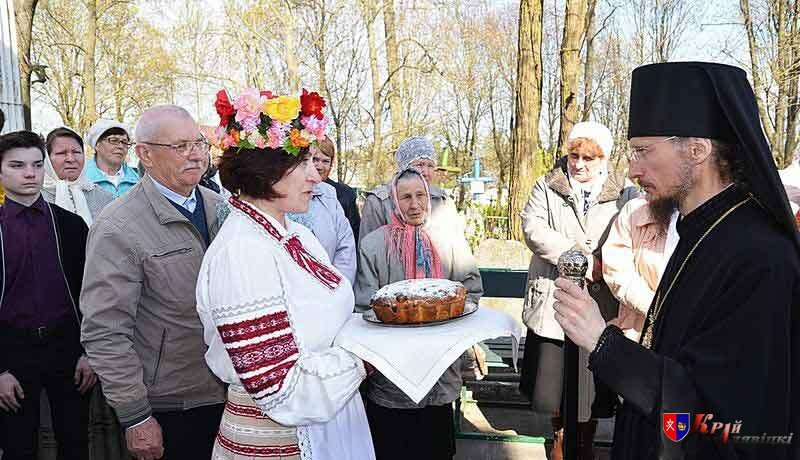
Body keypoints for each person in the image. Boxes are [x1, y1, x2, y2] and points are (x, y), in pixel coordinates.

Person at [553, 62, 799, 460]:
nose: (632, 170)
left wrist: (602, 343)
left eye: (643, 151)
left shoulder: (761, 256)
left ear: (697, 149)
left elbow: (717, 407)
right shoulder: (701, 227)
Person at [197, 87, 374, 460]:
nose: (317, 177)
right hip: (278, 441)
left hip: (326, 422)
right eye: (304, 163)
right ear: (266, 167)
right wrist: (369, 359)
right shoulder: (242, 251)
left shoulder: (296, 234)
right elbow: (278, 386)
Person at [80, 105, 227, 460]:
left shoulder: (219, 206)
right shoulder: (118, 227)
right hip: (171, 403)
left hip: (230, 393)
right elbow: (105, 330)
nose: (196, 155)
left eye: (199, 144)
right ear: (145, 154)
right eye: (180, 146)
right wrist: (136, 416)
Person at [518, 121, 638, 460]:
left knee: (593, 383)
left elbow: (634, 233)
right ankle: (560, 436)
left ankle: (585, 440)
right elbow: (533, 228)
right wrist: (583, 260)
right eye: (574, 156)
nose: (580, 164)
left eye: (589, 157)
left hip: (599, 304)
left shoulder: (626, 192)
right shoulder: (547, 185)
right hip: (554, 302)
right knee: (556, 383)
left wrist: (608, 262)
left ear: (603, 159)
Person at [354, 168, 483, 460]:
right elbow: (365, 305)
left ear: (429, 196)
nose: (414, 204)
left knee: (436, 448)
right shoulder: (374, 245)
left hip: (439, 369)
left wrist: (447, 322)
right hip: (392, 372)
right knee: (393, 448)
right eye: (406, 197)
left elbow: (471, 290)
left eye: (420, 195)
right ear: (394, 202)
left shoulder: (449, 242)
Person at [0, 131, 96, 460]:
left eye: (37, 165)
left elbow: (91, 294)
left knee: (76, 442)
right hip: (12, 351)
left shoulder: (70, 226)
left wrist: (88, 351)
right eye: (17, 165)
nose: (30, 173)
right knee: (18, 447)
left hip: (67, 347)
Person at [601, 197, 679, 341]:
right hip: (636, 335)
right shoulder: (636, 211)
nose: (634, 174)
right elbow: (616, 270)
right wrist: (655, 307)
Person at [359, 137, 460, 244]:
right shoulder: (378, 202)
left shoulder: (442, 200)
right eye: (419, 165)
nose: (425, 172)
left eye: (430, 165)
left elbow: (456, 246)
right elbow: (368, 248)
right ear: (403, 168)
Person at [41, 127, 114, 225]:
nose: (71, 159)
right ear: (47, 159)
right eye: (61, 153)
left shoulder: (104, 198)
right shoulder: (36, 197)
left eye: (76, 152)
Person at [288, 180, 357, 283]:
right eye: (304, 164)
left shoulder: (328, 193)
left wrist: (337, 289)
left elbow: (345, 250)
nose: (316, 174)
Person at [313, 136, 361, 243]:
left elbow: (355, 236)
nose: (319, 166)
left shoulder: (345, 194)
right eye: (315, 159)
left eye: (325, 161)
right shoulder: (293, 192)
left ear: (331, 164)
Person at [83, 119, 139, 198]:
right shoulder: (81, 179)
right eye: (113, 140)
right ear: (97, 145)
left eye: (124, 142)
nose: (120, 146)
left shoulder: (140, 179)